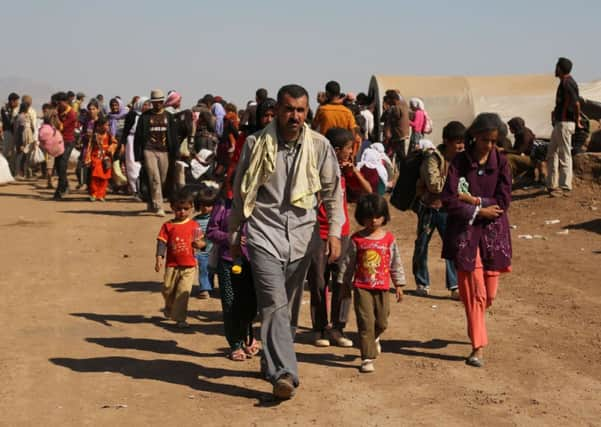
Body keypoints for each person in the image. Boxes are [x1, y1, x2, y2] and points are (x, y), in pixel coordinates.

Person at [228, 84, 344, 400]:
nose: (294, 116)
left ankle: (271, 358)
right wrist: (235, 233)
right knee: (273, 302)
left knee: (288, 306)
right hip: (264, 234)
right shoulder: (256, 143)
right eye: (289, 109)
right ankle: (285, 373)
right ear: (278, 110)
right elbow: (242, 192)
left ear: (308, 112)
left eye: (300, 110)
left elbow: (333, 192)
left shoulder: (319, 146)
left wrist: (334, 232)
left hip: (304, 237)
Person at [441, 113, 512, 368]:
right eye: (485, 140)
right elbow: (449, 199)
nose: (489, 146)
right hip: (466, 234)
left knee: (489, 294)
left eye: (493, 141)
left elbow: (504, 200)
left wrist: (476, 200)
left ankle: (476, 323)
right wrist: (477, 210)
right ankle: (477, 347)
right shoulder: (459, 163)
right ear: (475, 136)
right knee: (474, 293)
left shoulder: (501, 162)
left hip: (493, 236)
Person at [308, 128, 370, 348]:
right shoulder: (316, 170)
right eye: (348, 149)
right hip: (318, 234)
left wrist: (353, 172)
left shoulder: (347, 172)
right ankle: (319, 328)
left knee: (342, 282)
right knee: (318, 281)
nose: (351, 153)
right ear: (335, 150)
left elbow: (369, 191)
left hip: (341, 234)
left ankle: (338, 327)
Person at [338, 193, 405, 373]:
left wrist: (399, 284)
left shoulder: (389, 239)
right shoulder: (356, 239)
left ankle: (374, 338)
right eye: (369, 217)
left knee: (382, 322)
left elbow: (395, 262)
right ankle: (367, 357)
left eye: (377, 216)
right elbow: (348, 263)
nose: (373, 220)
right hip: (362, 287)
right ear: (361, 218)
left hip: (383, 287)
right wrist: (344, 284)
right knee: (365, 321)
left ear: (384, 216)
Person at [206, 181, 259, 361]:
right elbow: (211, 231)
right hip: (229, 262)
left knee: (251, 303)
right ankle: (235, 344)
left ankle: (249, 338)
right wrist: (232, 238)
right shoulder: (223, 205)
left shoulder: (261, 204)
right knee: (230, 304)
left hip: (255, 262)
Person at [412, 121, 466, 299]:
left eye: (462, 142)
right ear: (446, 141)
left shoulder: (462, 160)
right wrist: (456, 186)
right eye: (457, 142)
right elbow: (434, 185)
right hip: (429, 208)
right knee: (422, 245)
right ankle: (422, 282)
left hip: (448, 209)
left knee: (452, 246)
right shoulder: (433, 158)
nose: (460, 146)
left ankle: (454, 286)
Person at [155, 188, 206, 328]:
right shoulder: (168, 226)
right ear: (172, 207)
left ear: (191, 208)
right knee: (167, 289)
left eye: (185, 208)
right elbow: (161, 242)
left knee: (183, 292)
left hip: (189, 265)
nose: (182, 212)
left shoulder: (194, 225)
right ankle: (170, 307)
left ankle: (180, 318)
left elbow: (202, 242)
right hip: (172, 265)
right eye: (178, 209)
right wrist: (159, 257)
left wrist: (200, 244)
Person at [134, 89, 179, 216]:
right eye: (155, 102)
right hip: (149, 150)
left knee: (163, 179)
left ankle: (151, 201)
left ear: (163, 102)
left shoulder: (169, 117)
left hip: (165, 151)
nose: (157, 104)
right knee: (155, 178)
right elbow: (138, 137)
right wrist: (138, 154)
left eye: (159, 102)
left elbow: (174, 137)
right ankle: (159, 206)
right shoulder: (145, 117)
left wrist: (176, 154)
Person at [547, 57, 580, 197]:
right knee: (551, 153)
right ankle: (552, 184)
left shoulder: (567, 83)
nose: (555, 69)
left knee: (564, 154)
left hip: (565, 123)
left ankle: (565, 186)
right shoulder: (564, 83)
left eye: (556, 67)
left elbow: (576, 103)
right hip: (560, 123)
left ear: (560, 68)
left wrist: (577, 120)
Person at [193, 182, 219, 300]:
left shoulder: (217, 218)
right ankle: (204, 289)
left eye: (209, 205)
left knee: (215, 270)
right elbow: (194, 237)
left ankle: (211, 286)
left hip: (216, 250)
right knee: (204, 270)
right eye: (203, 205)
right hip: (202, 252)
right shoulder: (195, 221)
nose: (206, 208)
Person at [121, 97, 149, 197]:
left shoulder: (148, 116)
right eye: (145, 104)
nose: (147, 107)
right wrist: (123, 144)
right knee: (132, 164)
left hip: (144, 141)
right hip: (131, 140)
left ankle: (143, 189)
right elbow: (126, 130)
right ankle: (135, 189)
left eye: (148, 105)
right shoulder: (132, 115)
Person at [54, 92, 79, 200]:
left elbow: (61, 127)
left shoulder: (71, 114)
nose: (58, 105)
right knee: (58, 165)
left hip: (68, 141)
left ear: (64, 102)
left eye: (59, 103)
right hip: (59, 141)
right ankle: (65, 185)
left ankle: (60, 190)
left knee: (63, 164)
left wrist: (55, 117)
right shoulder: (59, 110)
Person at [85, 117, 116, 201]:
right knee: (95, 177)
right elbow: (89, 147)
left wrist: (111, 148)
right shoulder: (94, 135)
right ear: (99, 126)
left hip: (105, 159)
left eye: (108, 125)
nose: (107, 127)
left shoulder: (109, 135)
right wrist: (88, 158)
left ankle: (101, 194)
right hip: (96, 157)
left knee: (104, 177)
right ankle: (94, 193)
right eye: (105, 125)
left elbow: (114, 143)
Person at [382, 90, 410, 161]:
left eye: (389, 100)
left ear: (393, 99)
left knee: (401, 157)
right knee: (402, 157)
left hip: (399, 136)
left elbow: (389, 121)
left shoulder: (396, 108)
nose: (388, 102)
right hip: (404, 135)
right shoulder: (404, 104)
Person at [1, 92, 20, 172]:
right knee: (5, 152)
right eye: (16, 101)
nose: (18, 103)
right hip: (8, 133)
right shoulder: (4, 109)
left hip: (15, 134)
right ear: (12, 101)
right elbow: (6, 122)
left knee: (14, 153)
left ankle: (12, 171)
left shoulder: (17, 109)